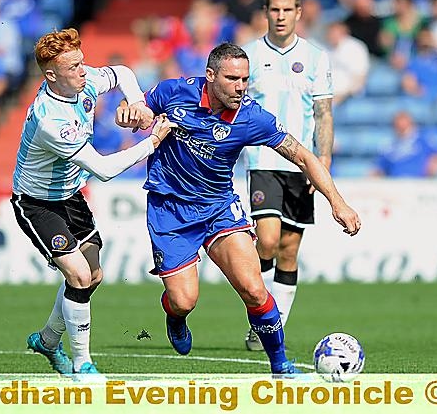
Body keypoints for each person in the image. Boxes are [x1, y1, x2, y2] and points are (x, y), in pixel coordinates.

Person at [119, 43, 360, 375]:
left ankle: (280, 366)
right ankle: (175, 317)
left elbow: (304, 156)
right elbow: (133, 110)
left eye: (245, 79)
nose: (241, 86)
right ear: (210, 75)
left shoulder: (251, 116)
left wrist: (338, 202)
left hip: (218, 209)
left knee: (253, 288)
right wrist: (126, 113)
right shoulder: (173, 92)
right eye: (232, 78)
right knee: (184, 300)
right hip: (170, 211)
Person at [10, 27, 175, 375]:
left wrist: (137, 103)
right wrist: (151, 142)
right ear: (52, 76)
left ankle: (48, 340)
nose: (84, 71)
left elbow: (123, 74)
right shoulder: (51, 119)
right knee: (80, 274)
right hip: (37, 202)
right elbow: (102, 169)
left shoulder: (82, 83)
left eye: (82, 63)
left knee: (93, 275)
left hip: (70, 196)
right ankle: (83, 364)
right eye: (74, 68)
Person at [242, 0, 333, 351]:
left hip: (302, 163)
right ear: (266, 13)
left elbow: (323, 112)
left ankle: (272, 326)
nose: (280, 17)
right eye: (274, 10)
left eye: (287, 10)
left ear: (299, 13)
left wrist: (322, 159)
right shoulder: (247, 55)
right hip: (263, 159)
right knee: (266, 240)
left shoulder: (315, 57)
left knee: (289, 249)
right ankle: (262, 314)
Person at [372, 110, 437, 177]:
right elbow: (380, 168)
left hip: (418, 183)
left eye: (405, 126)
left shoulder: (423, 140)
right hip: (395, 185)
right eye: (398, 126)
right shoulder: (389, 146)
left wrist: (436, 161)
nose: (402, 129)